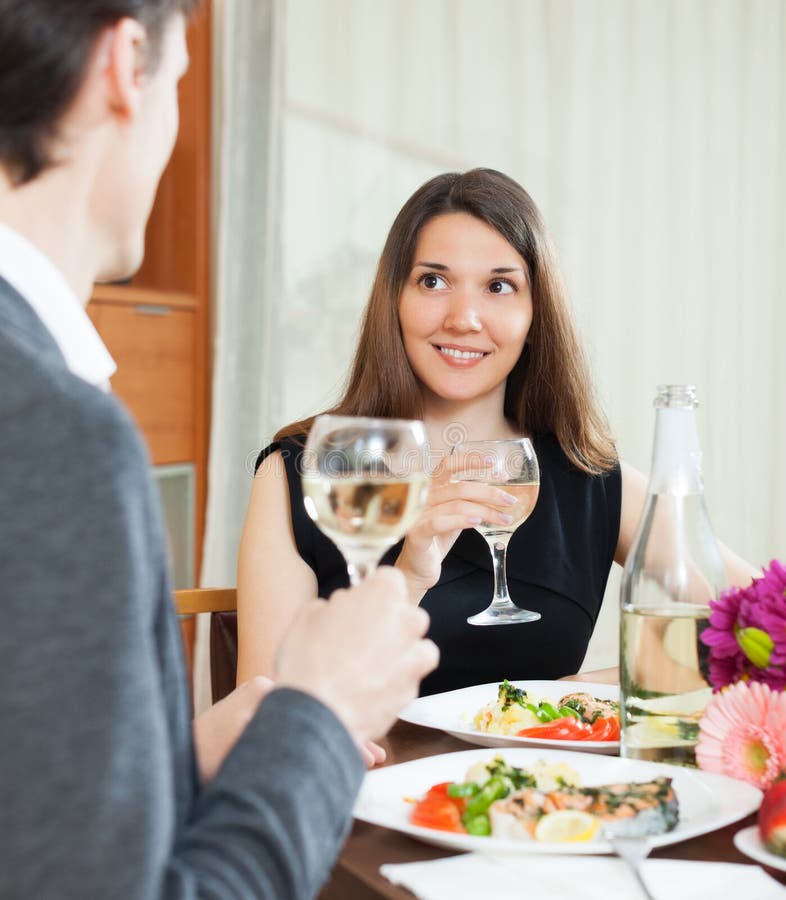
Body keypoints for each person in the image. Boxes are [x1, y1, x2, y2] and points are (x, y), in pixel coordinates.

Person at [0, 2, 438, 897]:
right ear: (127, 65)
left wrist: (195, 748)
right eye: (181, 81)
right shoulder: (54, 429)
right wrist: (319, 715)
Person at [237, 167, 756, 696]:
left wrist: (572, 692)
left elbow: (762, 624)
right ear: (394, 298)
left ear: (536, 315)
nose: (464, 318)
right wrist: (410, 573)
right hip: (369, 778)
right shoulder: (306, 473)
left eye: (499, 286)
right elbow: (261, 719)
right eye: (433, 281)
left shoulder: (589, 476)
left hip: (548, 779)